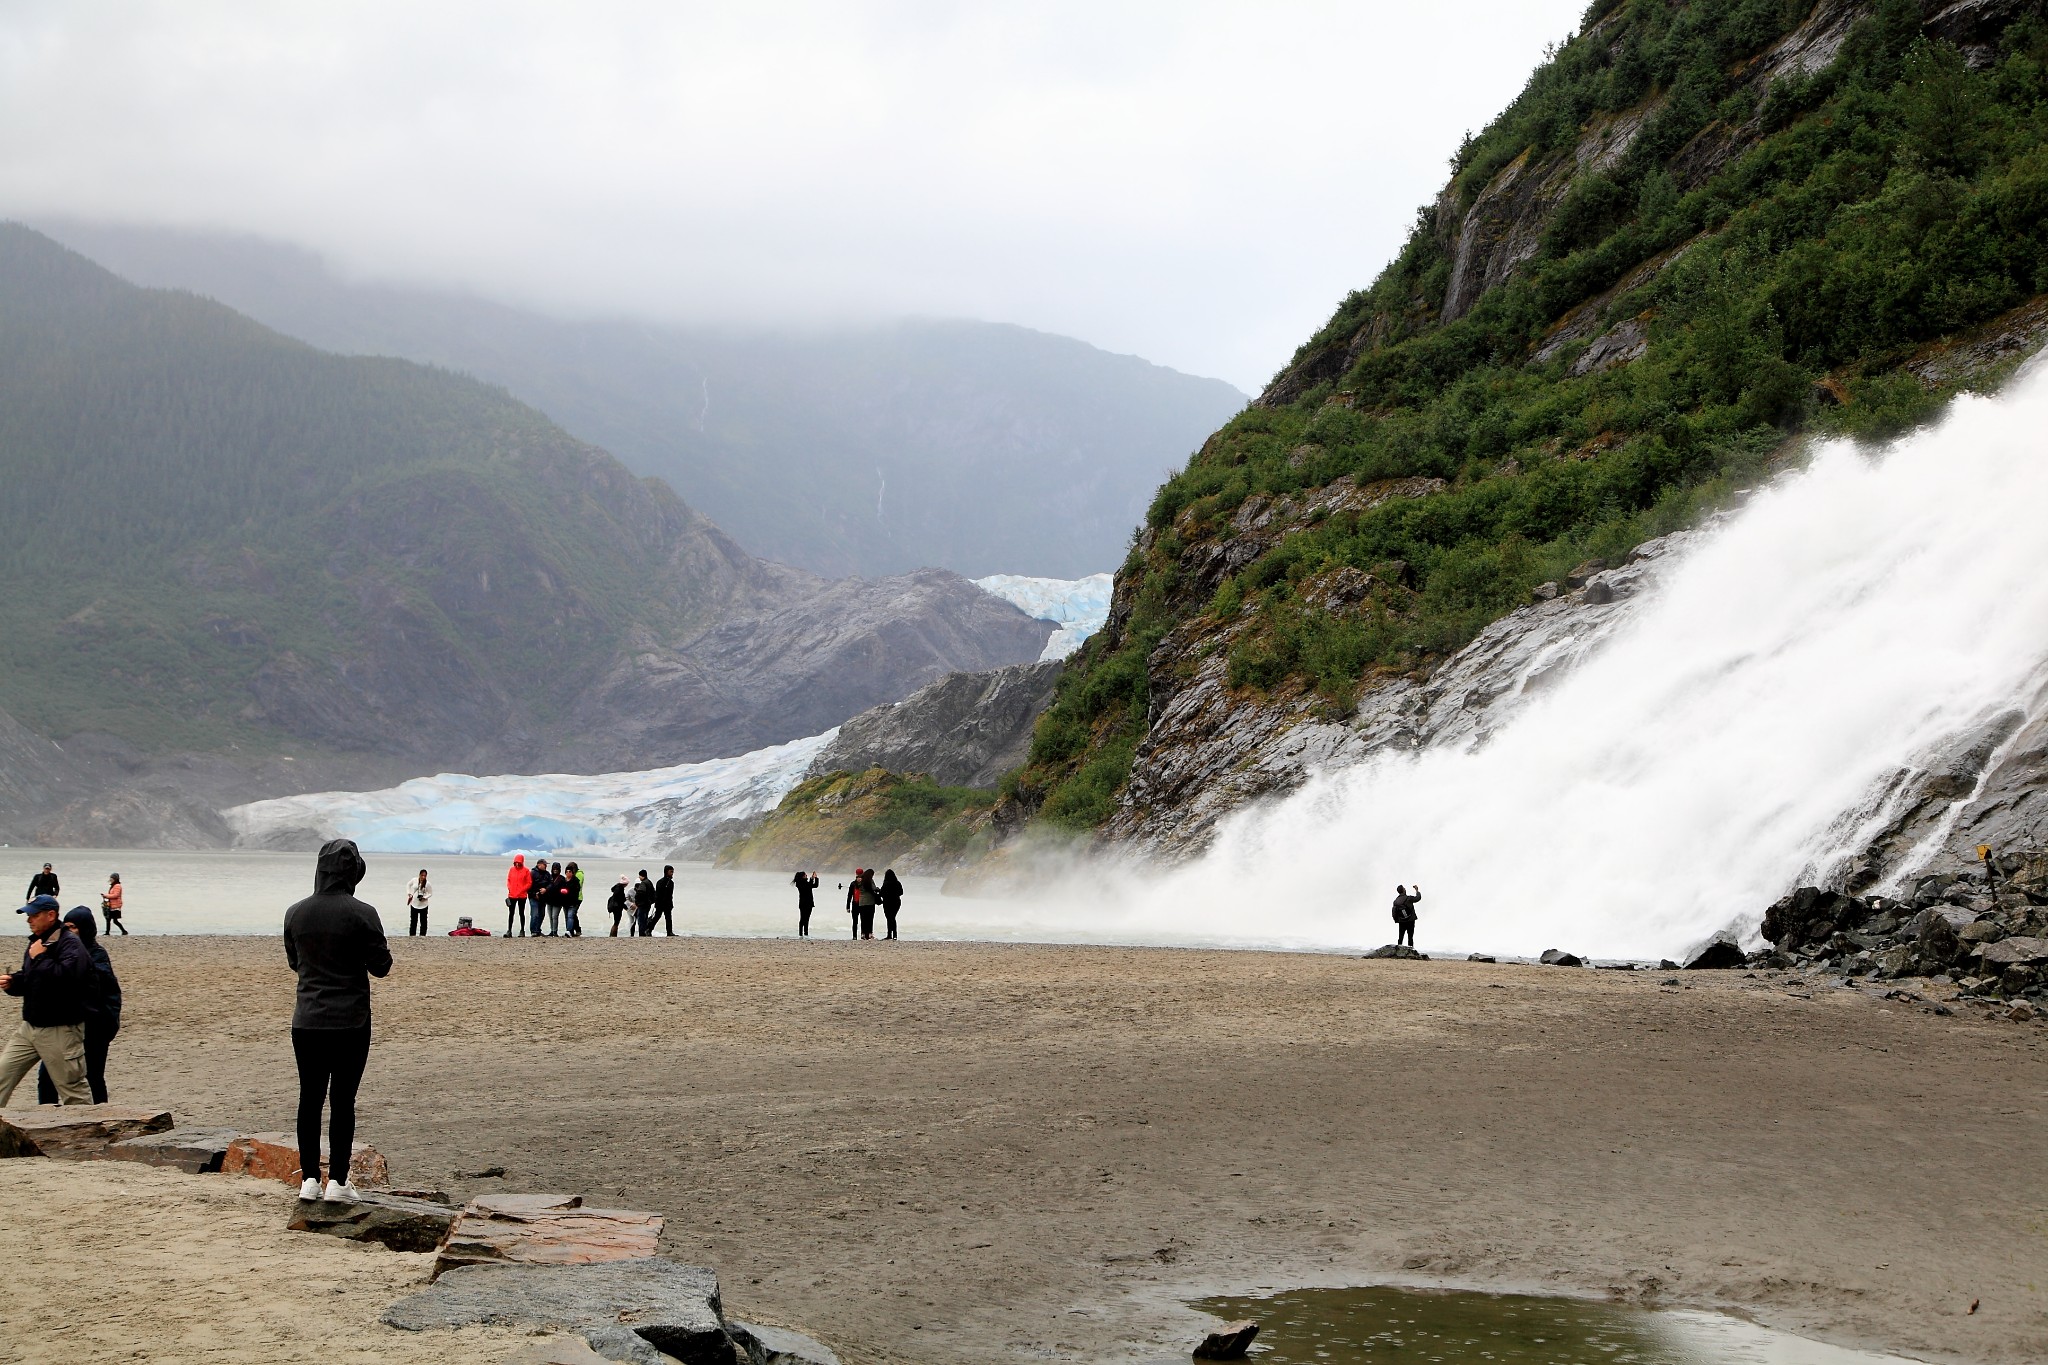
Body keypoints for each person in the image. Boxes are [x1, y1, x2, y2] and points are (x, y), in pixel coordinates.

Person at [283, 838, 392, 1202]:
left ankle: (310, 1179)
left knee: (309, 1099)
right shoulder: (363, 913)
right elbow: (381, 967)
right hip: (351, 1020)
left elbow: (294, 963)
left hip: (308, 1018)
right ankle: (339, 1181)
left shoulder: (295, 912)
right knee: (343, 1100)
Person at [0, 895, 92, 1106]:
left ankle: (92, 1135)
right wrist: (14, 982)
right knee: (2, 1076)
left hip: (60, 1030)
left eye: (34, 915)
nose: (29, 920)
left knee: (73, 1091)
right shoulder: (38, 942)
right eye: (28, 915)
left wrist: (40, 958)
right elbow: (34, 978)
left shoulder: (71, 944)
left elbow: (67, 980)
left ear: (51, 915)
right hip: (29, 1027)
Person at [38, 907, 119, 1104]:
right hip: (66, 1024)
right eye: (66, 927)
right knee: (47, 1076)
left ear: (84, 929)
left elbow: (98, 985)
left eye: (73, 927)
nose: (69, 932)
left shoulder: (97, 954)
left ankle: (104, 1119)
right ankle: (46, 1119)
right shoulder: (60, 951)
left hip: (97, 1025)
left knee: (93, 1076)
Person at [505, 855, 532, 938]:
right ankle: (509, 930)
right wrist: (509, 888)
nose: (517, 864)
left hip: (522, 895)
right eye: (516, 862)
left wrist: (522, 890)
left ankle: (522, 930)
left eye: (519, 862)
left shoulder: (526, 871)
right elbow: (509, 880)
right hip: (512, 895)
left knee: (521, 913)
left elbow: (529, 883)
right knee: (511, 913)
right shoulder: (511, 870)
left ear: (521, 862)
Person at [649, 866, 676, 936]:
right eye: (671, 872)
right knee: (657, 917)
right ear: (666, 872)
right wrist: (657, 903)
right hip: (660, 903)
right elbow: (657, 894)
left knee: (668, 918)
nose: (672, 873)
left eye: (672, 872)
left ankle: (669, 932)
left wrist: (671, 904)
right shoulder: (660, 882)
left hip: (668, 903)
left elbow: (670, 895)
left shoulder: (671, 883)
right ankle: (649, 930)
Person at [404, 869, 432, 937]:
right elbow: (408, 885)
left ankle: (422, 935)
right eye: (422, 875)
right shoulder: (414, 880)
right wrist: (409, 894)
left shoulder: (427, 883)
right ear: (419, 875)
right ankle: (412, 935)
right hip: (414, 904)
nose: (423, 877)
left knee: (423, 921)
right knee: (413, 921)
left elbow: (430, 893)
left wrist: (424, 897)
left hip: (423, 905)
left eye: (425, 876)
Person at [1391, 884, 1421, 948]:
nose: (1405, 889)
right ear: (1403, 890)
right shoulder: (1408, 898)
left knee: (1400, 937)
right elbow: (1418, 898)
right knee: (1410, 937)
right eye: (1404, 888)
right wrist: (1417, 890)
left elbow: (1394, 912)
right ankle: (1411, 951)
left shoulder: (1396, 901)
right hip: (1410, 920)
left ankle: (1398, 951)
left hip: (1401, 921)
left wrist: (1397, 920)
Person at [792, 870, 818, 937]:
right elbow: (812, 885)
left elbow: (814, 885)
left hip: (808, 904)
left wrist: (814, 878)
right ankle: (801, 934)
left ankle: (805, 933)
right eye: (805, 875)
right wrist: (813, 878)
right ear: (802, 876)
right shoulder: (800, 884)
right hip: (804, 904)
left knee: (806, 919)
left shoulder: (805, 883)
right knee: (803, 919)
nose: (806, 876)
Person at [880, 869, 904, 940]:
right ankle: (895, 935)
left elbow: (881, 893)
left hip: (887, 902)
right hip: (896, 902)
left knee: (889, 918)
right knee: (893, 917)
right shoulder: (897, 883)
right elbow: (901, 892)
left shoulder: (885, 883)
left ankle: (889, 934)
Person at [544, 862, 566, 937]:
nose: (555, 870)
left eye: (557, 869)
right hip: (549, 900)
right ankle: (552, 930)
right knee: (550, 917)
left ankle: (555, 931)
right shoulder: (549, 877)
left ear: (559, 869)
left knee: (554, 916)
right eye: (554, 868)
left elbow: (564, 890)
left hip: (558, 901)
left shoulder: (562, 879)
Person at [632, 871, 656, 937]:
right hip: (648, 904)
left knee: (641, 920)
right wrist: (651, 901)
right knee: (645, 919)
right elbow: (654, 892)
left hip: (642, 904)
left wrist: (637, 902)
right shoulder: (649, 882)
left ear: (642, 876)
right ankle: (645, 933)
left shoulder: (643, 883)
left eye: (639, 876)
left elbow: (640, 892)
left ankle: (641, 934)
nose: (639, 877)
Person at [565, 862, 585, 937]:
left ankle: (576, 930)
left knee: (572, 914)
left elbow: (577, 886)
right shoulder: (570, 875)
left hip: (577, 898)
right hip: (570, 898)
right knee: (573, 915)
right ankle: (574, 930)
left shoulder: (579, 875)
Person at [845, 870, 863, 940]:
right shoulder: (853, 884)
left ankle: (862, 935)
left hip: (862, 904)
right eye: (858, 877)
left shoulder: (864, 884)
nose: (859, 879)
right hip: (855, 904)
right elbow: (849, 896)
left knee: (863, 921)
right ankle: (854, 936)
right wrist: (848, 906)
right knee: (855, 921)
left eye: (860, 877)